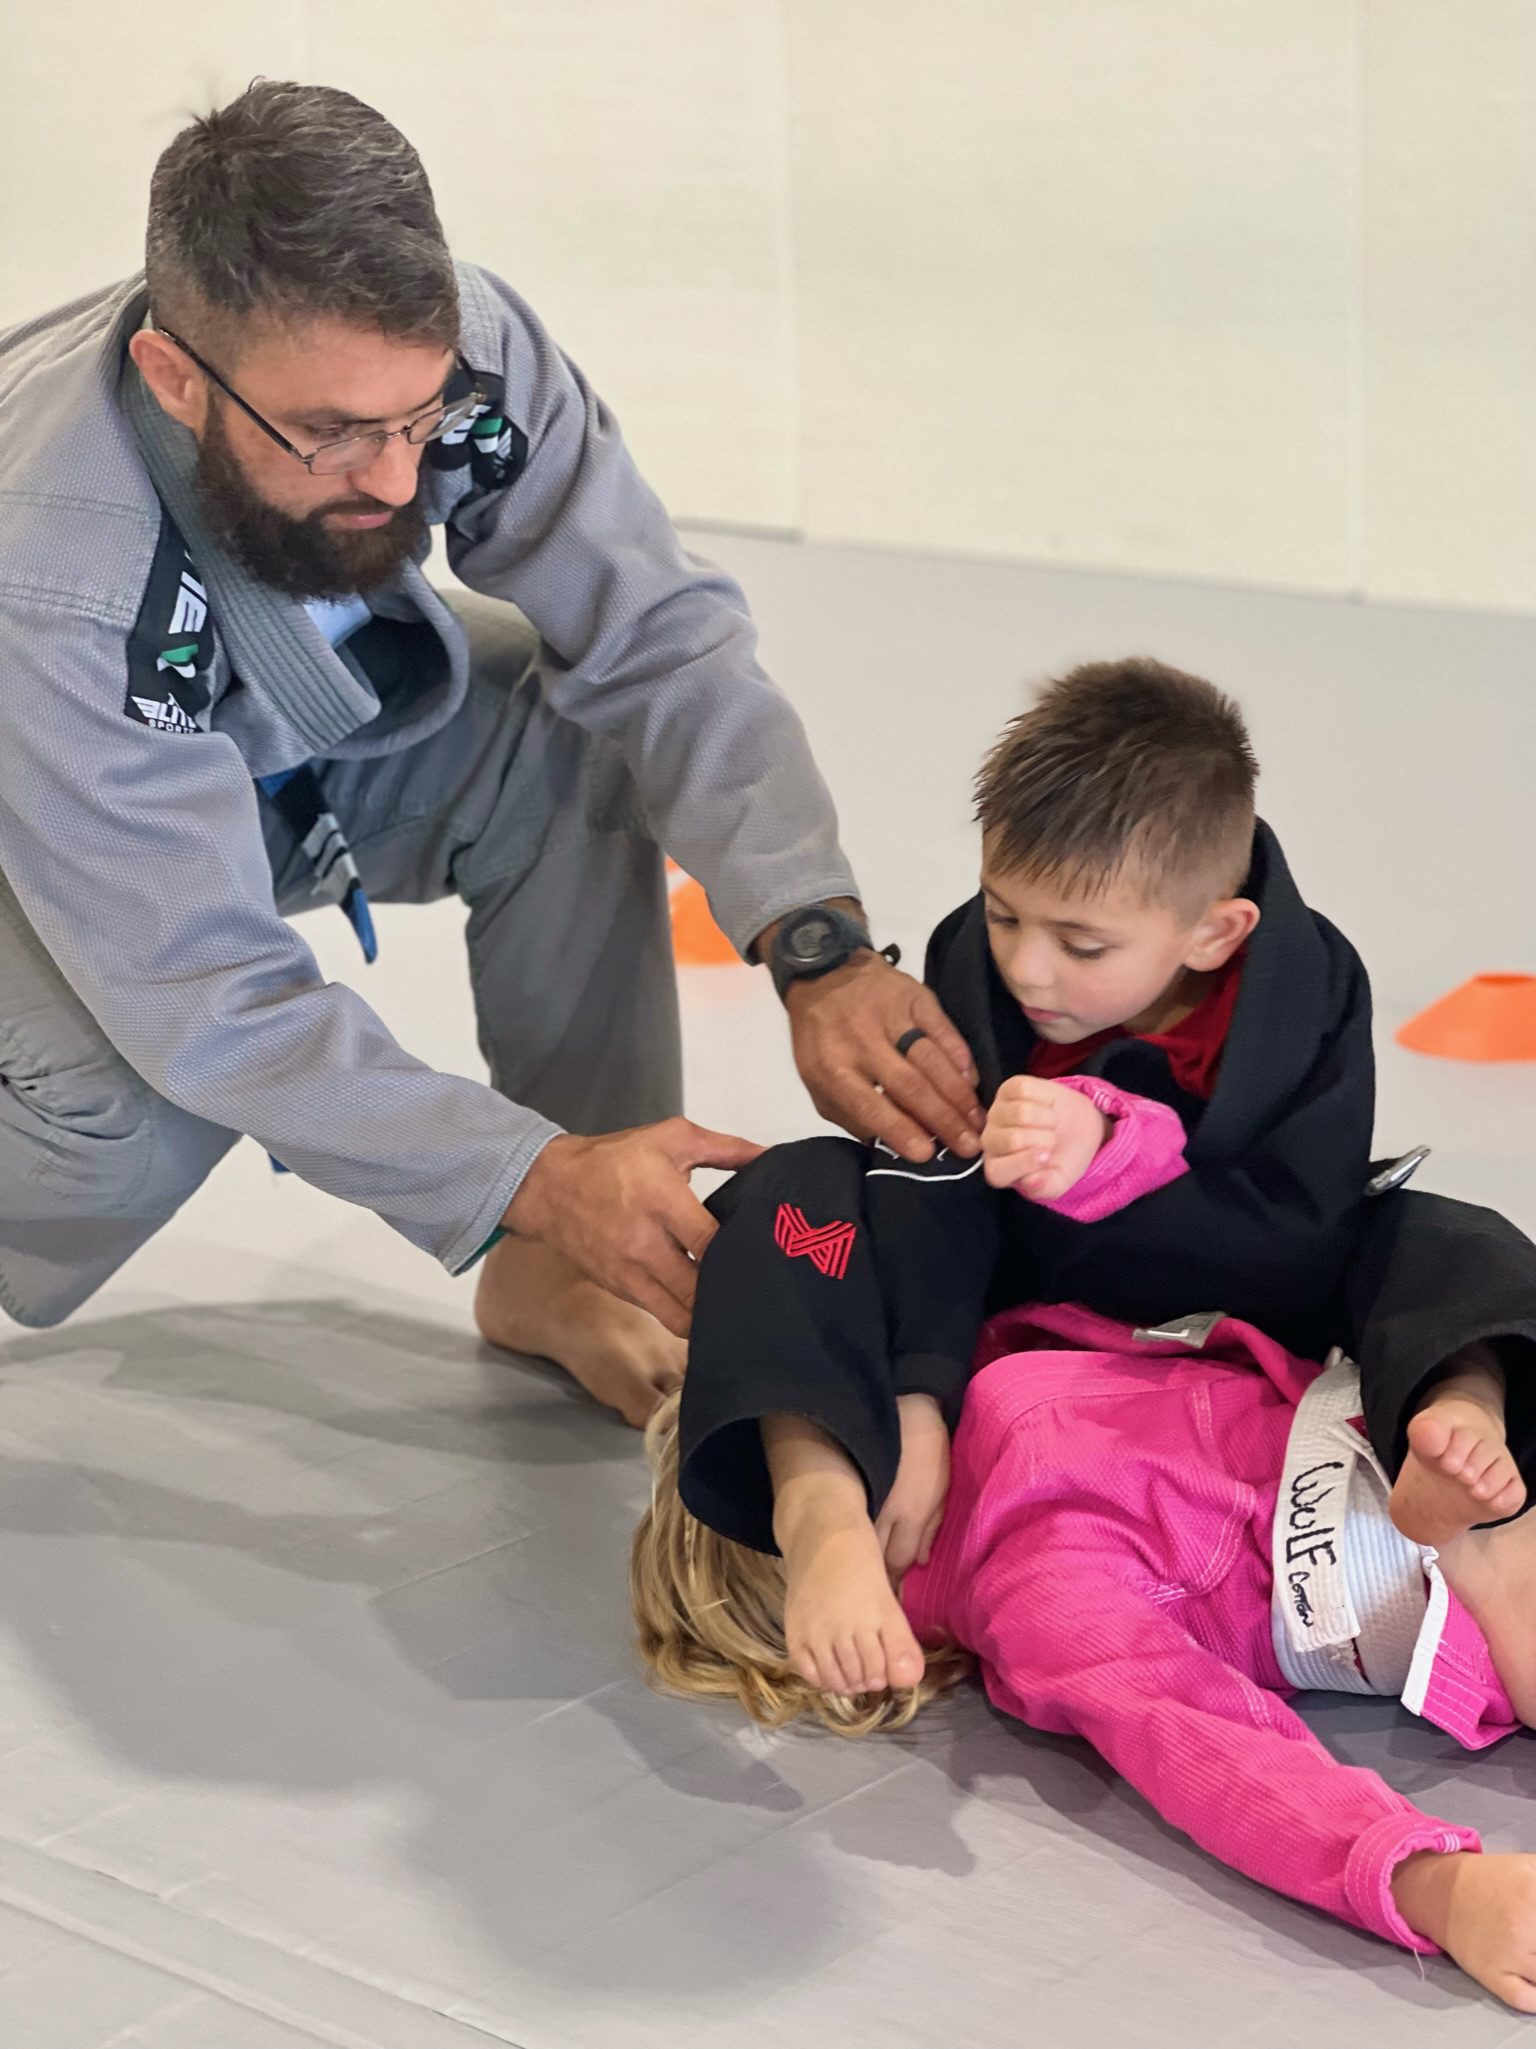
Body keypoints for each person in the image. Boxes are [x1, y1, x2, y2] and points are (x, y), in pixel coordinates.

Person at [0, 81, 983, 1426]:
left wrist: (815, 941)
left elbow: (655, 632)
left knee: (551, 732)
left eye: (415, 421)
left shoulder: (459, 356)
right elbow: (198, 991)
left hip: (219, 753)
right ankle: (565, 1215)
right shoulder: (51, 566)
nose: (397, 482)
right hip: (32, 817)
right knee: (124, 1105)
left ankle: (568, 1277)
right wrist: (526, 1172)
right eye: (332, 434)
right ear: (178, 380)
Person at [676, 658, 1536, 1555]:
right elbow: (946, 1192)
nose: (1027, 968)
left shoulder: (1309, 991)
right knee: (803, 1181)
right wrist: (921, 1398)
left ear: (1215, 932)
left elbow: (1301, 1239)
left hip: (1240, 1289)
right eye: (1006, 914)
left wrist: (1112, 1163)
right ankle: (818, 1482)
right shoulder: (970, 958)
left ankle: (1457, 1409)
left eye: (1083, 945)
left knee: (1449, 1240)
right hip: (1026, 1278)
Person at [630, 1306, 1536, 2010]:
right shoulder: (1034, 1574)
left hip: (1454, 1426)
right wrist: (1425, 1882)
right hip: (1461, 1552)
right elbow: (1203, 1743)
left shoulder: (997, 1363)